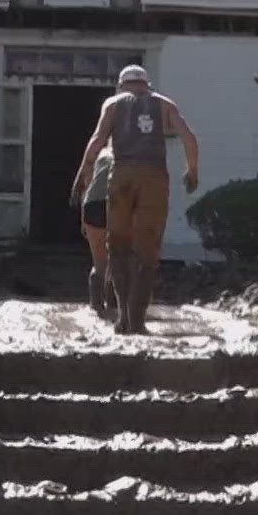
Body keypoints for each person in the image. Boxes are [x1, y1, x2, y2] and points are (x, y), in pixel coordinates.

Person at [70, 65, 199, 334]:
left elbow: (97, 140)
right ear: (147, 85)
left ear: (121, 85)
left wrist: (84, 173)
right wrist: (192, 170)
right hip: (154, 176)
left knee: (117, 245)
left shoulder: (113, 104)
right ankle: (138, 320)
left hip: (122, 175)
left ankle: (123, 318)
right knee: (147, 248)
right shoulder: (165, 104)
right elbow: (189, 137)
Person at [80, 146, 114, 319]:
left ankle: (96, 307)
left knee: (99, 261)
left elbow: (87, 186)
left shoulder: (99, 156)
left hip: (91, 206)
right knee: (117, 258)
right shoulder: (127, 154)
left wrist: (82, 222)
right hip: (112, 204)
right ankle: (113, 306)